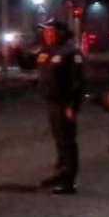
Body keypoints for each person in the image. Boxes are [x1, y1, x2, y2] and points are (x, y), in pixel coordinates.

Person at [36, 18, 84, 194]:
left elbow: (77, 82)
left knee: (67, 142)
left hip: (64, 103)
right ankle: (60, 173)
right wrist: (15, 48)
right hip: (51, 102)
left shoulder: (71, 52)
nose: (46, 34)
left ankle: (69, 181)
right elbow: (27, 63)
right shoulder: (45, 51)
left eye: (50, 31)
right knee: (59, 141)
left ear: (60, 33)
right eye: (45, 31)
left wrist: (72, 105)